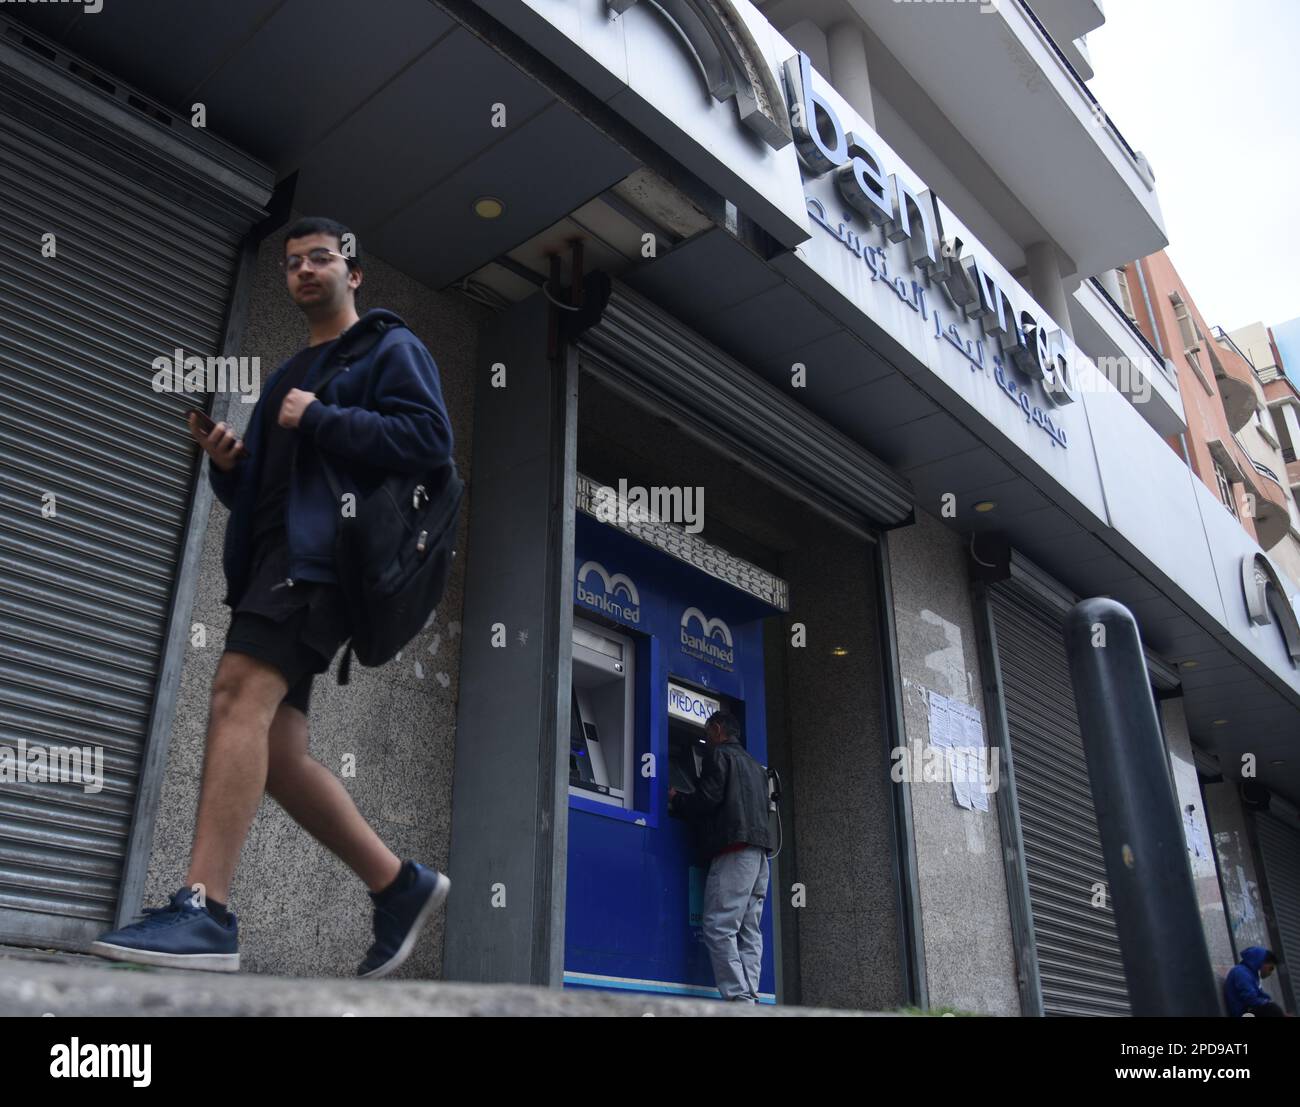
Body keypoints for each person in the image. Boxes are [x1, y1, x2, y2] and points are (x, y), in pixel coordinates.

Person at [89, 217, 454, 978]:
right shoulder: (289, 373)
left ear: (354, 275)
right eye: (291, 264)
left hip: (321, 568)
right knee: (279, 754)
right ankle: (398, 885)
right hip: (275, 563)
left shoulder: (389, 347)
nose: (304, 271)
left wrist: (322, 417)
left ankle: (206, 910)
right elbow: (270, 489)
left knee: (233, 694)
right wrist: (230, 465)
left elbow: (428, 442)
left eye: (321, 258)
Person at [669, 711, 775, 1003]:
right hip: (759, 854)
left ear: (716, 729)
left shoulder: (718, 756)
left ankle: (739, 998)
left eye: (708, 733)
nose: (707, 740)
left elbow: (707, 799)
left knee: (719, 926)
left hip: (734, 851)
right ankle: (751, 996)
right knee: (749, 929)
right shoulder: (755, 765)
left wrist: (677, 799)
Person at [1223, 947, 1285, 1017]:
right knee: (1273, 1009)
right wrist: (1267, 1003)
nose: (1270, 973)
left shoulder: (1251, 975)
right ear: (1262, 961)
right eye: (1271, 968)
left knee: (1273, 1009)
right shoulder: (1241, 972)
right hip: (1243, 1014)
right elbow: (1251, 999)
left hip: (1247, 1012)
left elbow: (1259, 997)